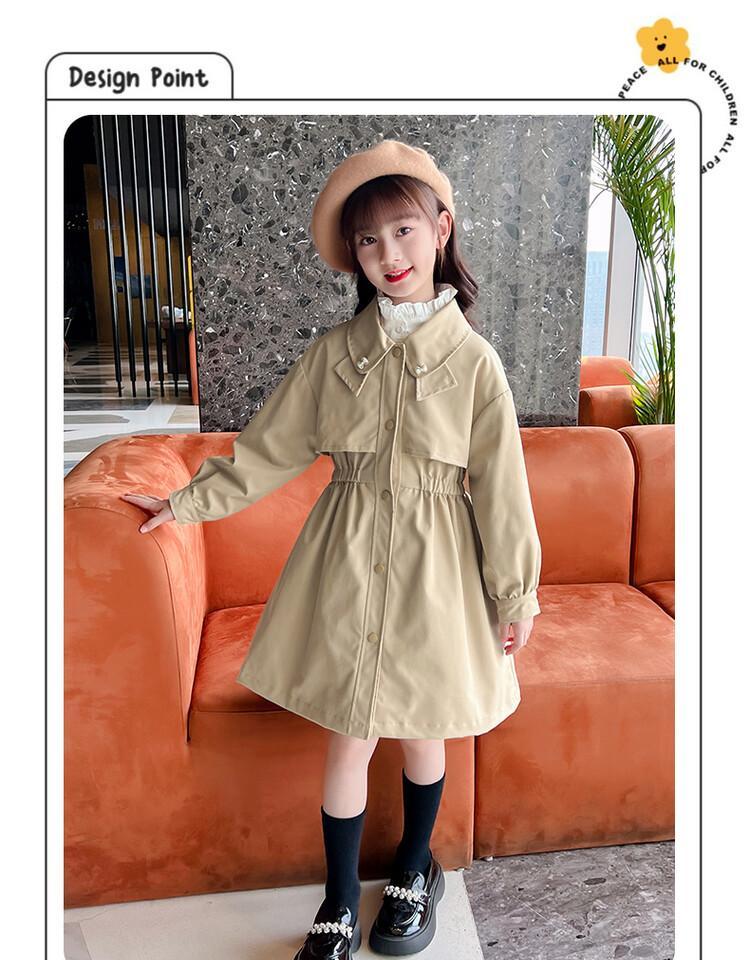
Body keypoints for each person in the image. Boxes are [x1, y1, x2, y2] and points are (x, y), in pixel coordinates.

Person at [121, 139, 542, 959]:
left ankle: (415, 868)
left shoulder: (474, 363)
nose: (389, 253)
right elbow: (267, 451)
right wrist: (182, 503)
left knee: (424, 729)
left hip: (438, 572)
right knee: (350, 735)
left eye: (404, 230)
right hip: (346, 561)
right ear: (353, 254)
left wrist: (515, 593)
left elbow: (501, 488)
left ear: (441, 230)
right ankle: (341, 899)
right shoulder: (333, 356)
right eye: (368, 239)